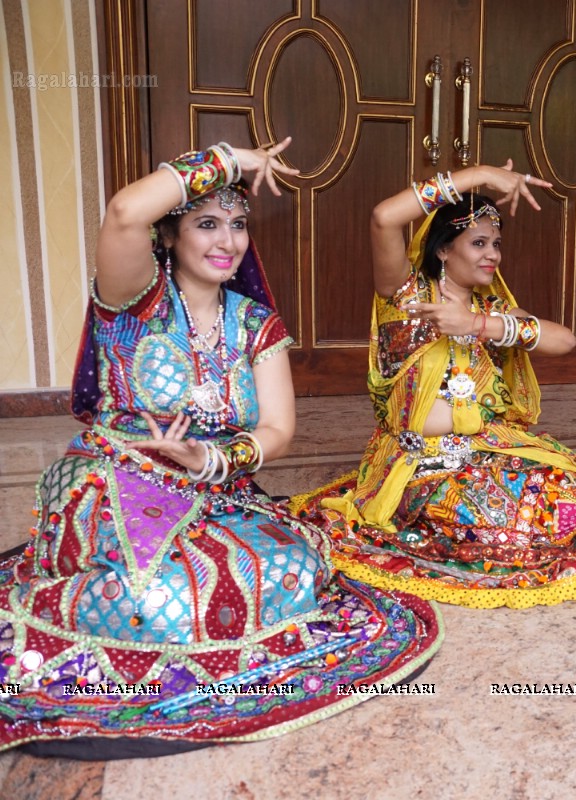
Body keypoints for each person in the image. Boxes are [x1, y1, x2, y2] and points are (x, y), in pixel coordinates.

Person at [0, 140, 442, 755]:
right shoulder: (134, 296)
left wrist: (212, 460)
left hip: (214, 487)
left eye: (237, 225)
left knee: (290, 568)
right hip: (117, 474)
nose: (227, 241)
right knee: (149, 591)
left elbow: (277, 430)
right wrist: (231, 160)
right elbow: (126, 211)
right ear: (172, 235)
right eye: (207, 223)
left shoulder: (253, 322)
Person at [294, 163, 576, 608]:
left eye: (496, 244)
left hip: (486, 448)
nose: (493, 255)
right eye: (478, 243)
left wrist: (480, 324)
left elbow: (566, 340)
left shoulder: (492, 308)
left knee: (572, 496)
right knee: (496, 521)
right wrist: (478, 174)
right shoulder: (406, 298)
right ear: (444, 250)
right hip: (420, 460)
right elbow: (384, 217)